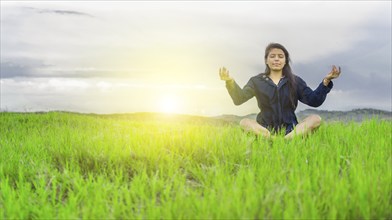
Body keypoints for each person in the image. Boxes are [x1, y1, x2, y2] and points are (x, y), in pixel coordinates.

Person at [219, 43, 341, 139]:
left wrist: (326, 81)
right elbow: (239, 99)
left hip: (291, 131)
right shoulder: (257, 81)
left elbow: (314, 100)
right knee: (244, 122)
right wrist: (229, 81)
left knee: (316, 119)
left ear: (285, 60)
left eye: (280, 56)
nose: (276, 59)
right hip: (265, 130)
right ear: (266, 60)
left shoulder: (295, 81)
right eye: (272, 56)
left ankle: (285, 140)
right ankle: (271, 139)